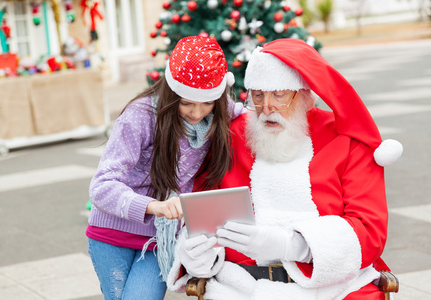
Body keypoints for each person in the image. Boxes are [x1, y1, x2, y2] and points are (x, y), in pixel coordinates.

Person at [166, 38, 403, 299]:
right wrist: (200, 255)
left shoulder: (346, 139)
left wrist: (290, 245)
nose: (266, 108)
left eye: (278, 94)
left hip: (333, 288)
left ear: (304, 94)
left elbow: (369, 230)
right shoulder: (230, 137)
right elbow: (202, 212)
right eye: (257, 95)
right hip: (241, 287)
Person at [87, 36, 242, 300]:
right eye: (186, 103)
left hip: (160, 238)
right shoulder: (140, 116)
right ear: (172, 93)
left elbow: (248, 114)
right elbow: (101, 186)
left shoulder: (218, 110)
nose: (197, 112)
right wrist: (154, 206)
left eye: (207, 102)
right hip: (112, 234)